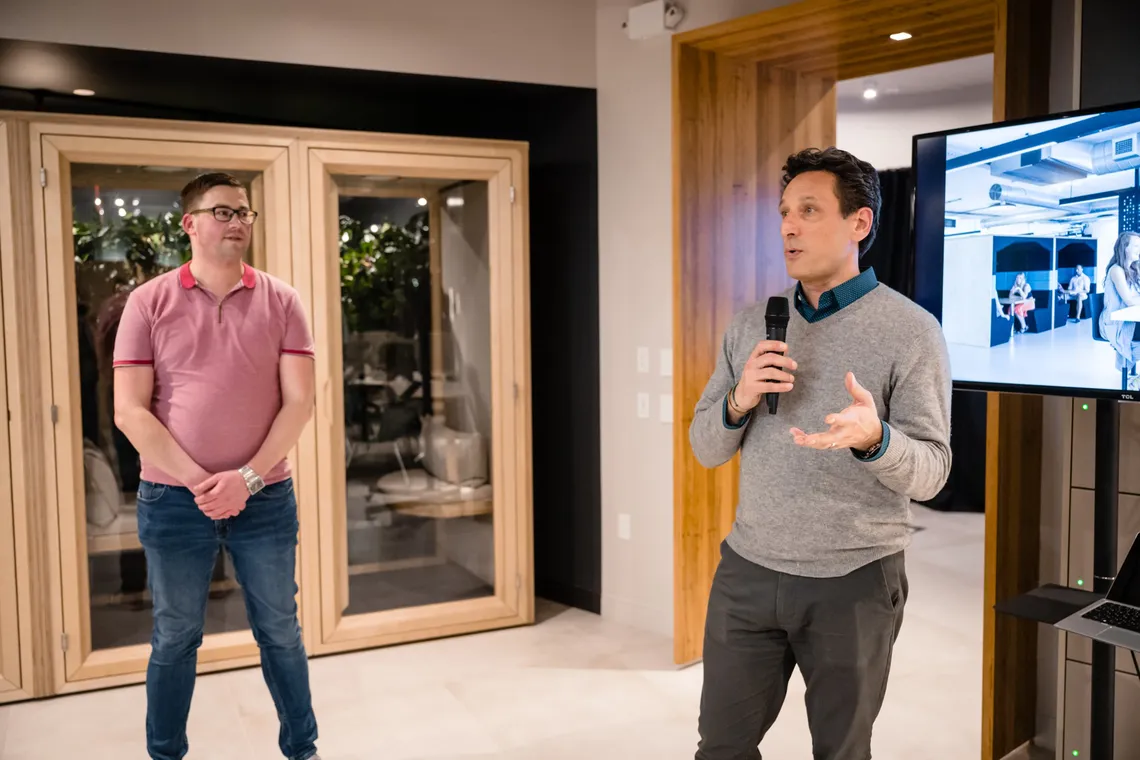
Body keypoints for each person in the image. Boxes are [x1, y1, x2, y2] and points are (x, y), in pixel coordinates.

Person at [689, 147, 952, 760]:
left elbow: (933, 473)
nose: (789, 226)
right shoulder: (751, 325)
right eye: (784, 212)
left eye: (808, 210)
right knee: (720, 747)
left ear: (859, 223)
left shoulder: (912, 331)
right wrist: (739, 399)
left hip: (853, 581)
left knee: (841, 751)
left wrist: (875, 439)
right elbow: (705, 448)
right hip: (748, 570)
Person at [113, 172, 321, 760]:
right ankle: (165, 754)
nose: (237, 223)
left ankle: (302, 749)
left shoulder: (283, 300)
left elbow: (300, 403)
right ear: (190, 223)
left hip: (265, 497)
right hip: (173, 500)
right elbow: (129, 410)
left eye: (244, 213)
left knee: (280, 630)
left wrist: (247, 479)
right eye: (222, 212)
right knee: (175, 636)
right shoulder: (148, 301)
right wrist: (202, 484)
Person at [1098, 231, 1140, 388]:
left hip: (1129, 319)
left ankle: (1136, 380)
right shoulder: (1116, 270)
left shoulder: (1134, 269)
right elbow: (1129, 301)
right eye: (1136, 246)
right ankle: (1136, 381)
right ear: (1124, 248)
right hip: (1115, 324)